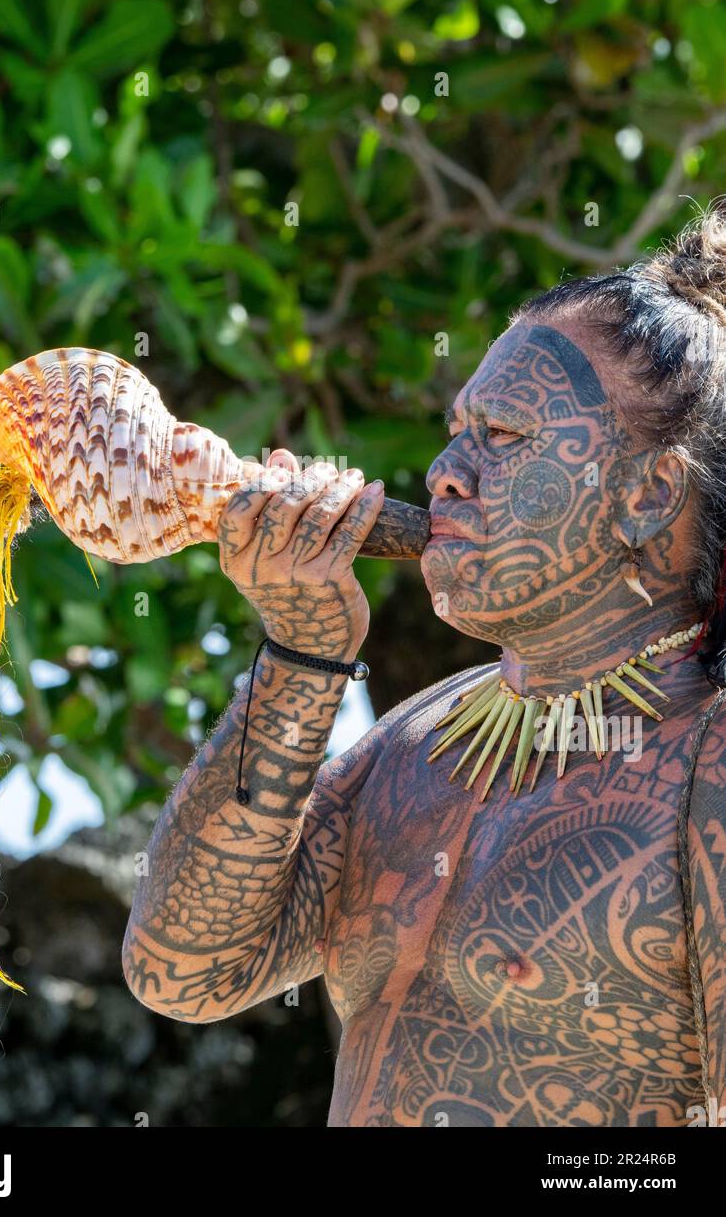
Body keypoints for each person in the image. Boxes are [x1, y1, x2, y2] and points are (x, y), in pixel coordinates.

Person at [123, 209, 726, 1128]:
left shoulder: (708, 755)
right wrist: (301, 651)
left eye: (504, 436)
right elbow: (183, 969)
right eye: (456, 430)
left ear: (649, 495)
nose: (446, 469)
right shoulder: (415, 744)